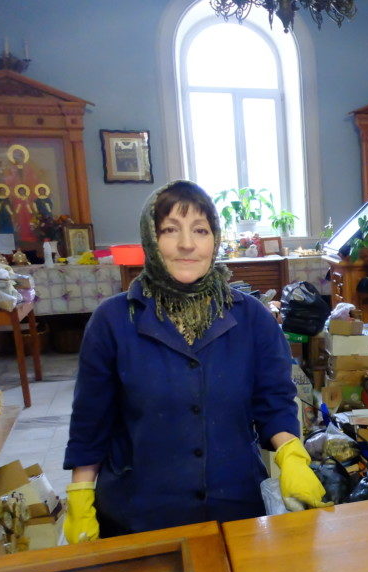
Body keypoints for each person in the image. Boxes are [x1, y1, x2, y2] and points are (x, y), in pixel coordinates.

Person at [63, 179, 325, 541]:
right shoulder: (113, 320)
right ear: (151, 239)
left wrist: (291, 454)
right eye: (170, 230)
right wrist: (80, 493)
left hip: (233, 509)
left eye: (200, 230)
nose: (187, 244)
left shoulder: (252, 318)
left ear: (214, 239)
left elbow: (274, 401)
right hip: (139, 513)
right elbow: (91, 420)